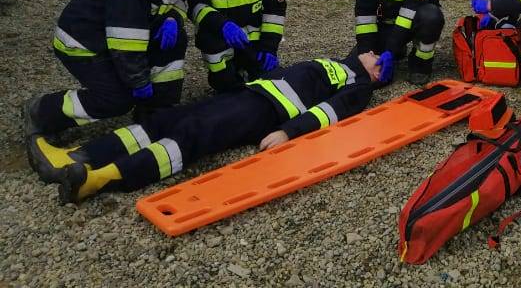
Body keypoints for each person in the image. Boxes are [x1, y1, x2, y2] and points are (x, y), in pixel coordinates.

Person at [26, 52, 386, 203]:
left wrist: (287, 133)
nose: (372, 54)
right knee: (165, 121)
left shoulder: (359, 86)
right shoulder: (339, 63)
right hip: (248, 96)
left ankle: (98, 178)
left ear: (375, 73)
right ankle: (76, 156)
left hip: (263, 114)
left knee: (191, 135)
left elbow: (327, 113)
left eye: (376, 60)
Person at [22, 0, 233, 137]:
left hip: (115, 34)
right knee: (116, 100)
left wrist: (172, 18)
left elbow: (180, 0)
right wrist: (138, 81)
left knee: (174, 38)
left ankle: (154, 114)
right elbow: (124, 38)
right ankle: (42, 111)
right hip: (83, 42)